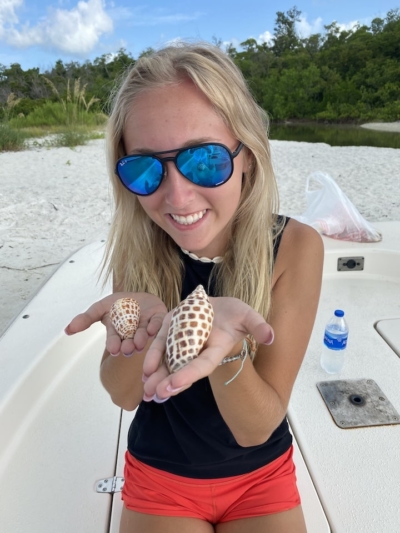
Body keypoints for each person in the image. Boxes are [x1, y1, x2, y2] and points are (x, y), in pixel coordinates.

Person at [65, 42, 324, 533]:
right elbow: (123, 395)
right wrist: (141, 329)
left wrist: (223, 349)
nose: (177, 196)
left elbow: (255, 428)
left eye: (204, 160)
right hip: (161, 473)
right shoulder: (138, 248)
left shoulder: (295, 246)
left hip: (259, 475)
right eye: (144, 168)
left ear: (247, 154)